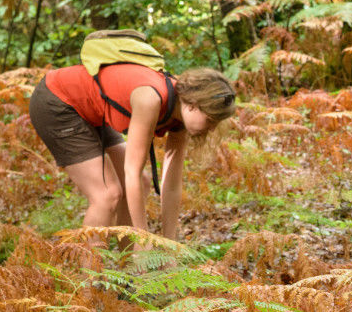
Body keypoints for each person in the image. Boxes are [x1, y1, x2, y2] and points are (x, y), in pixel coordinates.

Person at [29, 63, 236, 240]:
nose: (211, 129)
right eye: (210, 120)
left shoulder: (179, 114)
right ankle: (92, 281)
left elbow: (171, 185)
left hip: (94, 110)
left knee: (143, 183)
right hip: (57, 100)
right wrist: (143, 240)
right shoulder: (151, 99)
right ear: (193, 104)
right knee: (107, 195)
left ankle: (127, 272)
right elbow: (131, 172)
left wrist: (170, 245)